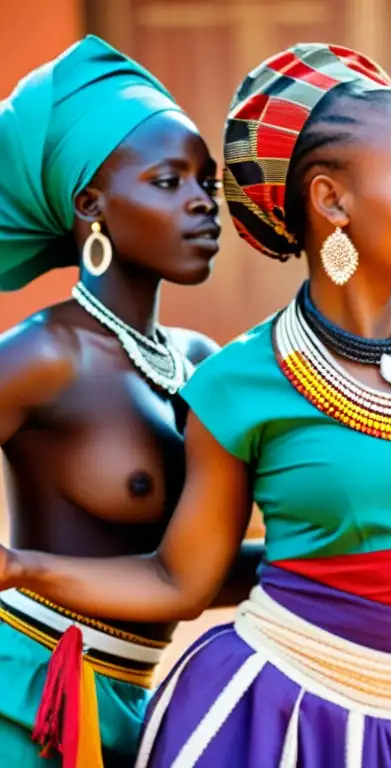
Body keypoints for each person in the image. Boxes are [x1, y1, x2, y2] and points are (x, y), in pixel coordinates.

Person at [0, 43, 391, 767]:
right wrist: (19, 567)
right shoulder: (232, 379)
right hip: (269, 706)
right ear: (329, 200)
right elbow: (182, 576)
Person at [0, 35, 262, 767]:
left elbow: (191, 575)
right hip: (22, 700)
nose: (203, 205)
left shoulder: (201, 366)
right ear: (93, 207)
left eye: (205, 182)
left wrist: (352, 564)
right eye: (168, 181)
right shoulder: (44, 355)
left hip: (139, 705)